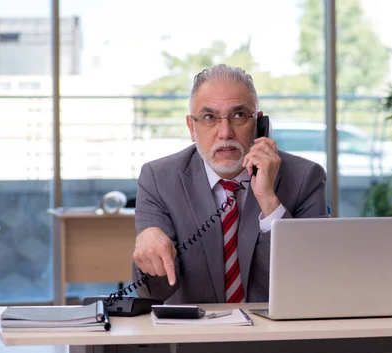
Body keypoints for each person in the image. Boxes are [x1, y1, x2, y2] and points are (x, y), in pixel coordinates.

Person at [131, 64, 327, 303]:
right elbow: (154, 292)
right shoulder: (158, 179)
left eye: (239, 115)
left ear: (260, 124)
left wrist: (268, 201)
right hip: (193, 337)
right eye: (209, 117)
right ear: (192, 128)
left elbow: (310, 282)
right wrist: (149, 253)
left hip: (273, 335)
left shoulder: (305, 178)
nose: (225, 133)